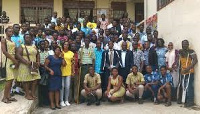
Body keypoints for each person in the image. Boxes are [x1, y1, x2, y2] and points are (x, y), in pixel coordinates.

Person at [16, 34, 40, 100]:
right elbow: (18, 55)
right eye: (26, 38)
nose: (28, 39)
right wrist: (26, 62)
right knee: (26, 81)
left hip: (34, 65)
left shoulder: (34, 46)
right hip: (25, 65)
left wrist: (38, 61)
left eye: (29, 37)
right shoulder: (21, 46)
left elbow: (38, 54)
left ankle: (32, 93)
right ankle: (27, 94)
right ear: (24, 39)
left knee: (34, 80)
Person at [177, 40, 198, 107]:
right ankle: (183, 100)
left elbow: (195, 60)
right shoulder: (180, 51)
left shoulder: (191, 51)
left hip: (189, 72)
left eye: (186, 44)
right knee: (182, 86)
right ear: (181, 44)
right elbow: (179, 60)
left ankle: (190, 101)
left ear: (188, 44)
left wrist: (188, 68)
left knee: (189, 87)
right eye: (183, 44)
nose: (185, 45)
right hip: (182, 72)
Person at [1, 27, 18, 103]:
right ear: (6, 32)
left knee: (11, 80)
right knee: (8, 80)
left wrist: (16, 60)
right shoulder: (4, 40)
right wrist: (13, 59)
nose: (11, 32)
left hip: (13, 61)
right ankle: (4, 97)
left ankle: (8, 96)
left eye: (12, 31)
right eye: (9, 31)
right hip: (8, 60)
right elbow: (4, 51)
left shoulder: (12, 40)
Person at [60, 41, 74, 107]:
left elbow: (73, 63)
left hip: (68, 71)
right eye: (65, 44)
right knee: (62, 87)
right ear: (63, 45)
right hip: (61, 71)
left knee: (67, 86)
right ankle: (61, 101)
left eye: (67, 44)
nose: (66, 45)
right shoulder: (60, 52)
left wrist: (73, 71)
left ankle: (66, 100)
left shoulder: (71, 53)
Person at [38, 40, 49, 106]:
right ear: (39, 45)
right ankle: (41, 102)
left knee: (46, 86)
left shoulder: (47, 52)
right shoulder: (38, 52)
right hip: (40, 70)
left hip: (46, 70)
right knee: (41, 86)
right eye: (41, 44)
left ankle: (46, 101)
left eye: (44, 44)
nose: (43, 45)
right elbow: (38, 62)